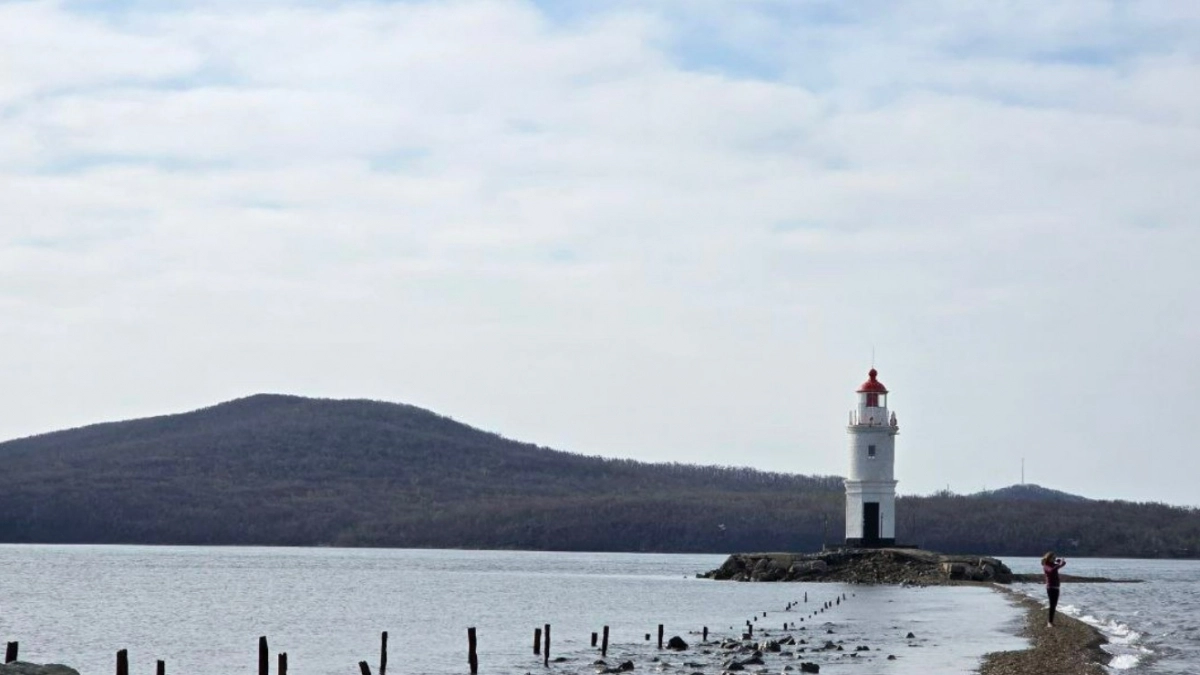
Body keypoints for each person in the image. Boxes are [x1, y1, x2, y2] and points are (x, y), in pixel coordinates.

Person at [1041, 551, 1067, 627]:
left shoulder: (1053, 565)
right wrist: (1059, 564)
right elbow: (1051, 570)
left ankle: (1051, 621)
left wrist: (1060, 562)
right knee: (1052, 605)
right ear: (1049, 558)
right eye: (1053, 558)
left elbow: (1063, 564)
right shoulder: (1046, 565)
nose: (1054, 559)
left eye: (1055, 558)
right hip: (1051, 587)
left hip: (1056, 587)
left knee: (1054, 605)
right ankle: (1049, 622)